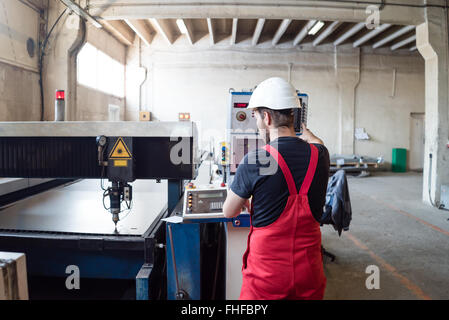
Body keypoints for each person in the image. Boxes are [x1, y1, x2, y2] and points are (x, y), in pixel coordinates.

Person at [223, 77, 330, 300]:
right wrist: (307, 134)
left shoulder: (255, 160)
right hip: (309, 273)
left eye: (257, 117)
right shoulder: (320, 155)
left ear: (267, 117)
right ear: (294, 116)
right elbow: (317, 142)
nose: (257, 123)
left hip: (267, 277)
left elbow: (229, 211)